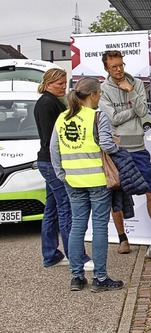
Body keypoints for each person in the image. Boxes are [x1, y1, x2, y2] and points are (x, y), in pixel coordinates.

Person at [50, 77, 124, 292]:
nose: (100, 96)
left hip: (73, 181)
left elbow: (54, 148)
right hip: (98, 180)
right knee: (99, 227)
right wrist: (118, 148)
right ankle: (100, 279)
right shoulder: (97, 117)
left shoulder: (62, 117)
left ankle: (76, 277)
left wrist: (61, 174)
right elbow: (107, 146)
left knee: (76, 228)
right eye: (99, 93)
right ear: (93, 95)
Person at [99, 50, 151, 254]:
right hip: (116, 150)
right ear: (106, 68)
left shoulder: (135, 84)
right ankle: (122, 239)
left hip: (138, 148)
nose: (119, 69)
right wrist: (134, 108)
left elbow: (144, 112)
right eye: (114, 67)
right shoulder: (102, 89)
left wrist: (131, 92)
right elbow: (113, 118)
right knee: (117, 197)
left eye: (121, 65)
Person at [34, 68, 93, 269]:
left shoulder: (51, 102)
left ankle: (51, 254)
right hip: (51, 163)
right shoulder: (47, 104)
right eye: (59, 83)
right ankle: (76, 256)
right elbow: (51, 140)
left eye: (64, 82)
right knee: (66, 208)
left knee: (51, 209)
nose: (63, 87)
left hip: (48, 162)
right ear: (48, 83)